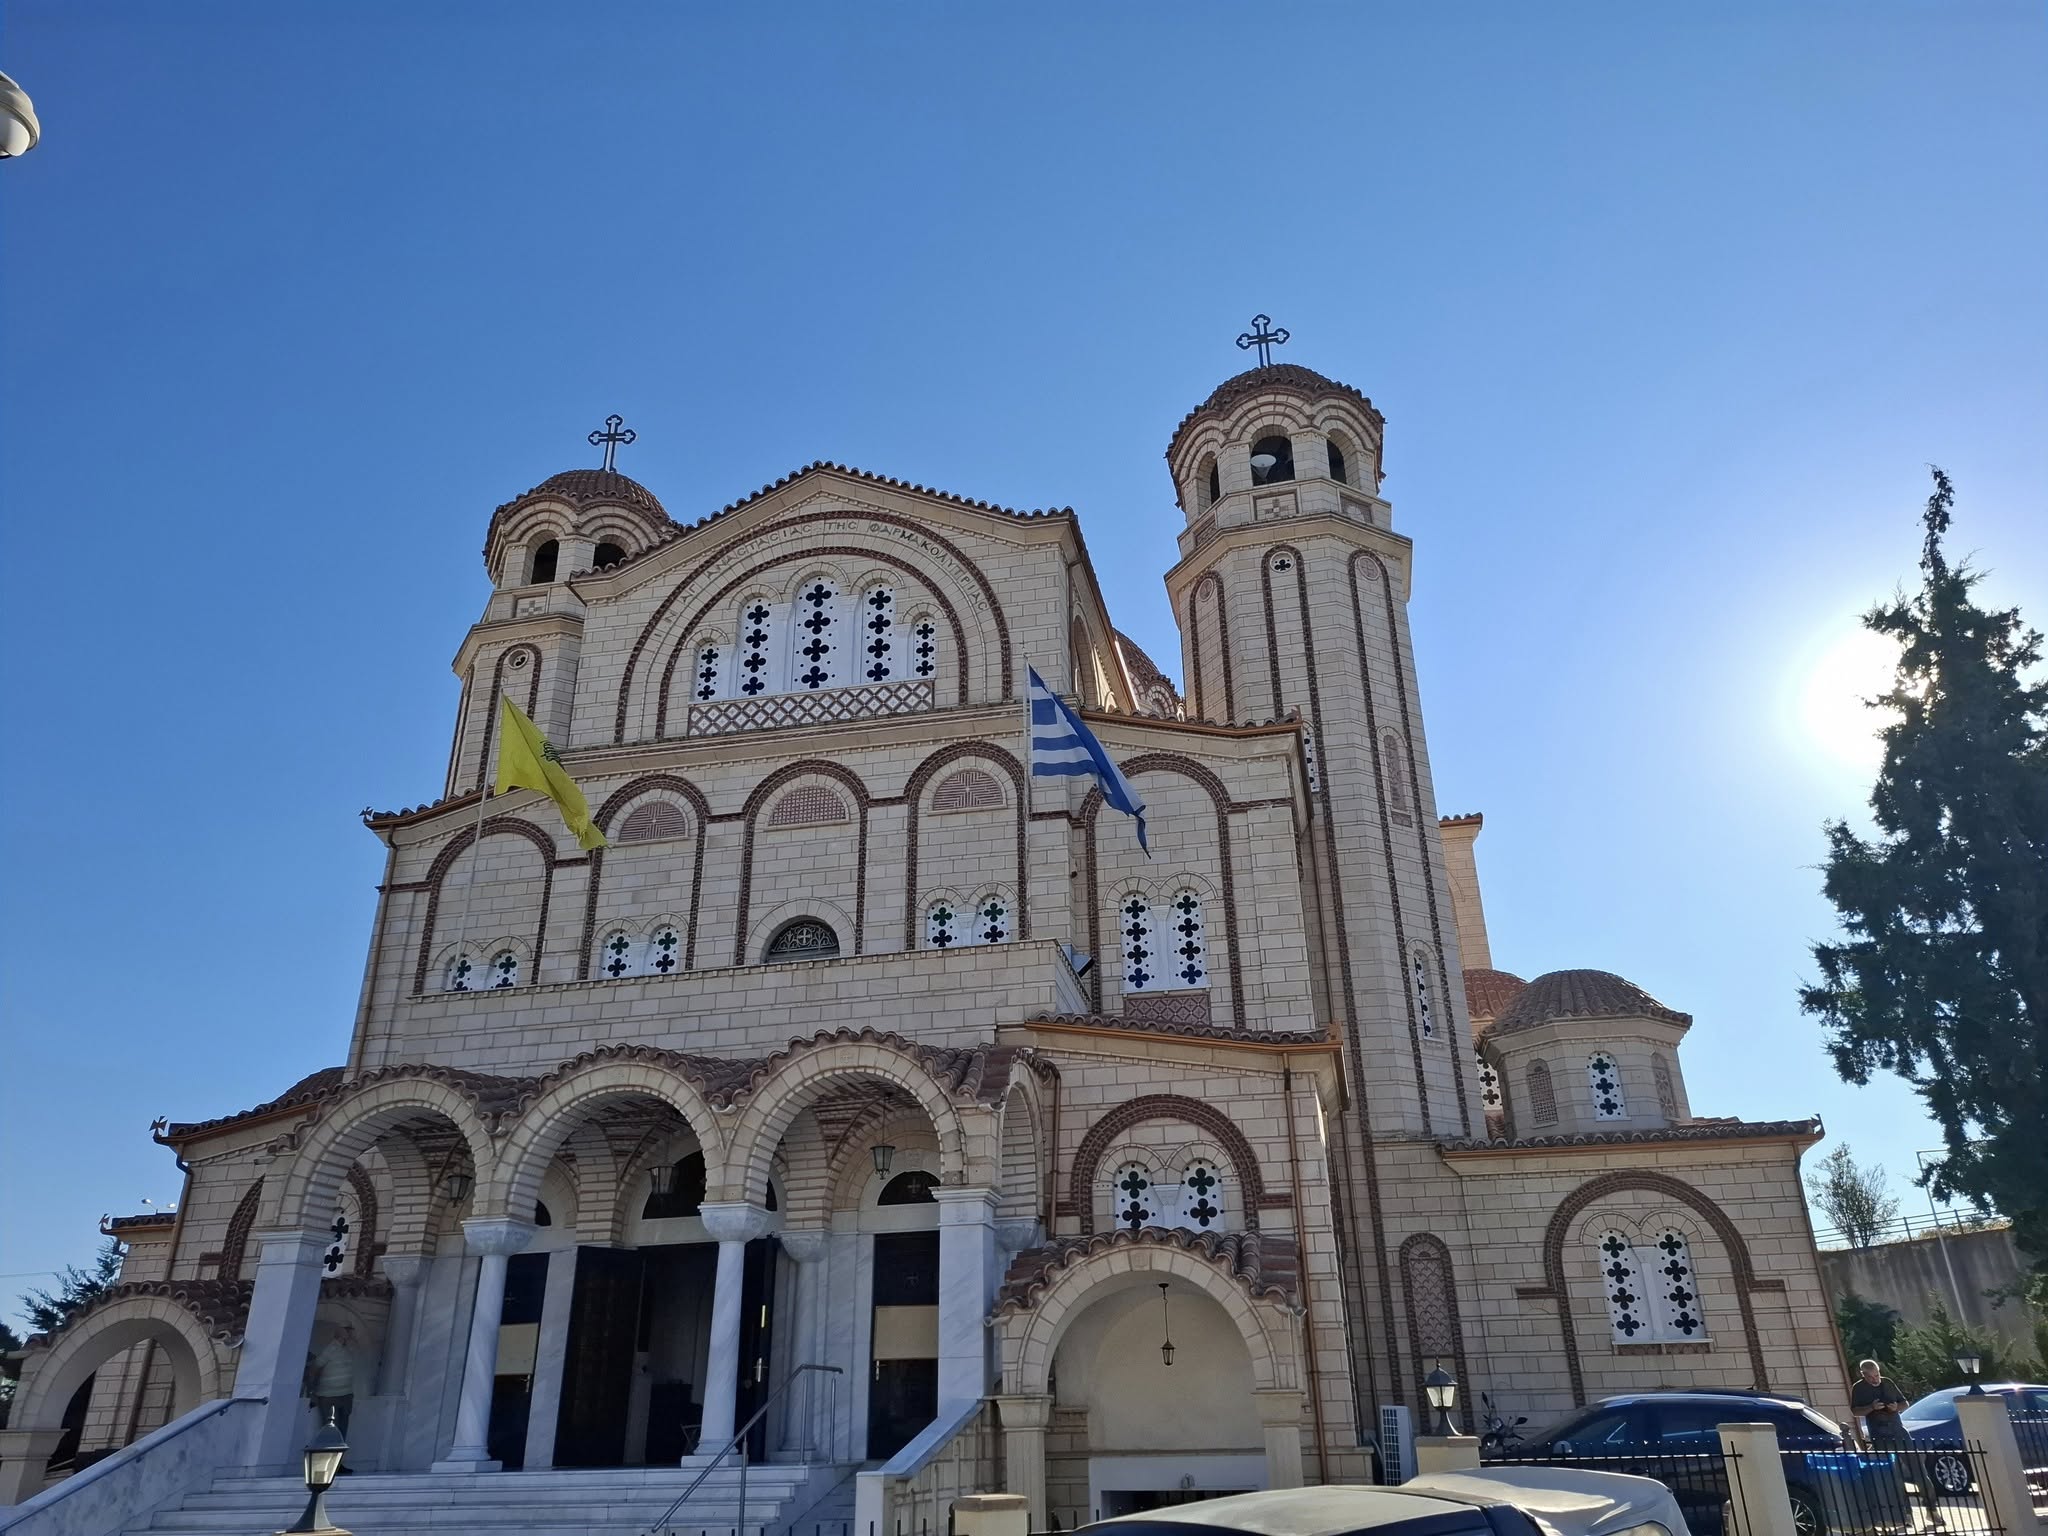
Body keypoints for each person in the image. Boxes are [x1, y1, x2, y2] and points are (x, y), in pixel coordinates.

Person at [1853, 1359, 1941, 1530]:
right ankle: (1905, 1515)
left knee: (1920, 1473)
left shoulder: (1887, 1383)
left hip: (1899, 1432)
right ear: (1863, 1375)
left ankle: (1931, 1510)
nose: (1876, 1379)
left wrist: (1896, 1407)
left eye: (1877, 1375)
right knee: (1895, 1478)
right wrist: (1871, 1407)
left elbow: (1904, 1403)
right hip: (1880, 1436)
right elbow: (1855, 1411)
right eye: (1871, 1377)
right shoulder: (1859, 1388)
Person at [307, 1324, 358, 1470]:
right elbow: (315, 1367)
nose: (351, 1335)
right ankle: (326, 1465)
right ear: (342, 1335)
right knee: (330, 1431)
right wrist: (312, 1391)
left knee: (341, 1432)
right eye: (348, 1332)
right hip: (329, 1396)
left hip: (345, 1395)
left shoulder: (347, 1349)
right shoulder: (331, 1349)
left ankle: (337, 1465)